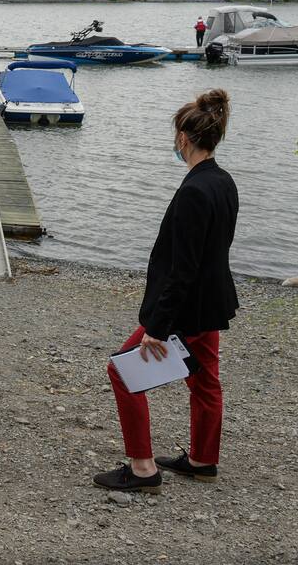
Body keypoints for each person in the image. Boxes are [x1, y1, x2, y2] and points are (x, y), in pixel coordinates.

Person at [93, 88, 238, 494]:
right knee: (206, 379)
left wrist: (158, 326)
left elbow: (183, 268)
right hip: (212, 303)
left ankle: (142, 469)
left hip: (186, 309)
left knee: (123, 371)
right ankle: (202, 459)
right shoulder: (223, 181)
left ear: (183, 139)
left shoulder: (194, 190)